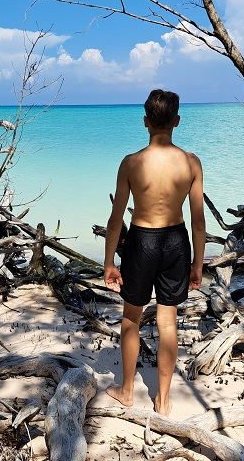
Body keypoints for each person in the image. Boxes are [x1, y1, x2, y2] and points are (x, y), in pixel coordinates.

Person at [103, 89, 205, 417]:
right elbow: (198, 221)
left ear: (145, 122)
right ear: (176, 121)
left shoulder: (131, 163)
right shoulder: (190, 162)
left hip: (142, 241)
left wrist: (108, 262)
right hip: (176, 240)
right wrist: (198, 264)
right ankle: (163, 399)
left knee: (132, 317)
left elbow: (116, 218)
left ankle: (127, 390)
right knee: (168, 321)